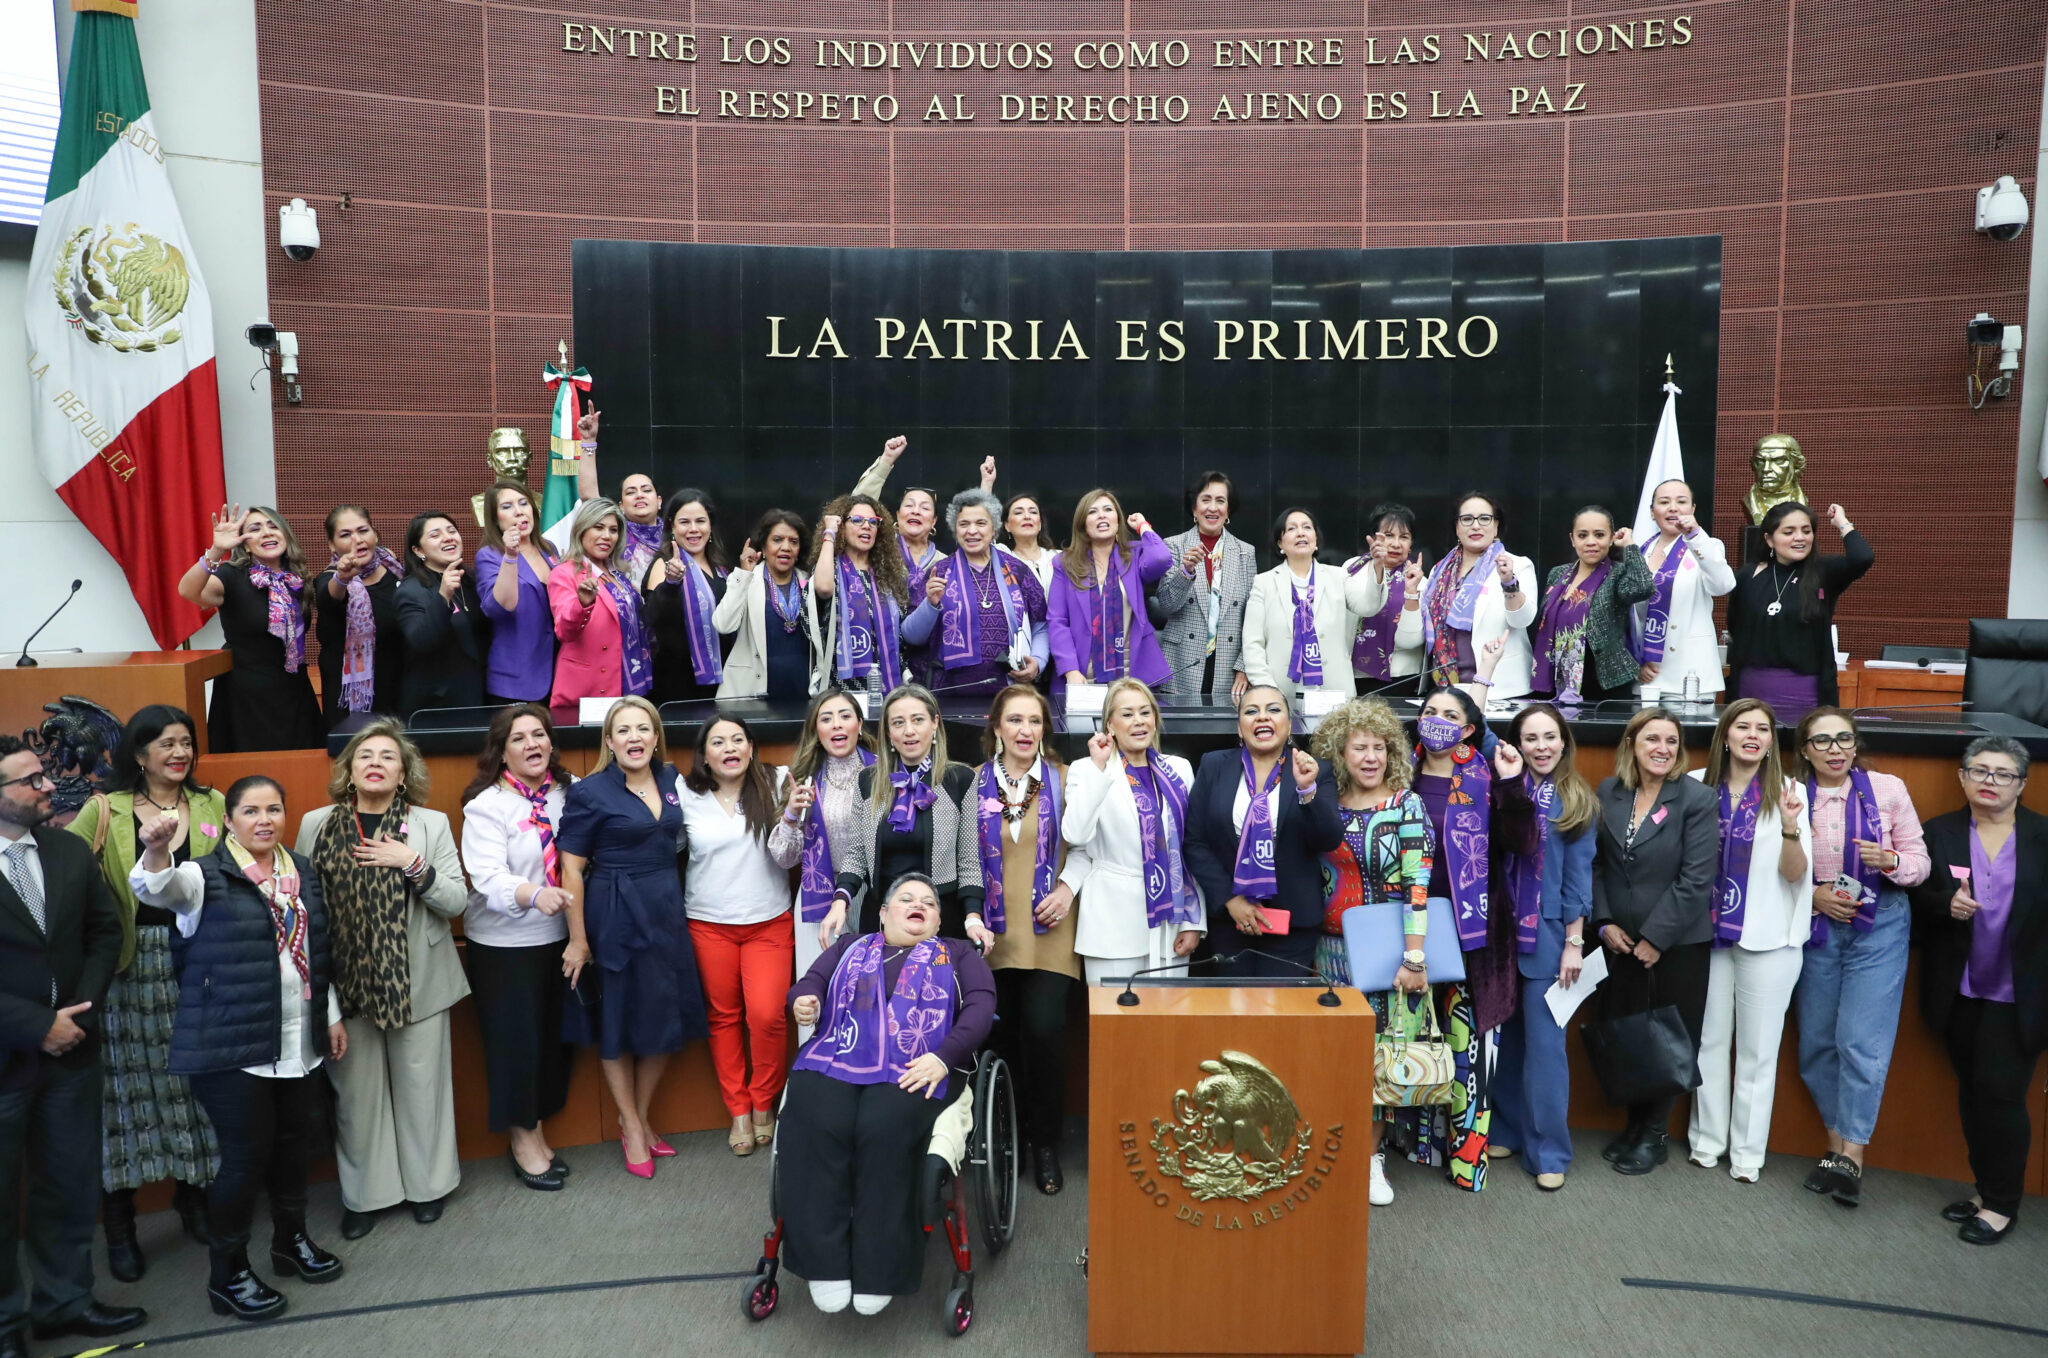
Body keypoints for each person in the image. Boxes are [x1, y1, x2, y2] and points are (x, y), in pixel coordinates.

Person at [130, 774, 343, 1323]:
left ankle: (289, 1244)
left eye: (274, 808)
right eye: (250, 811)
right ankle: (228, 1274)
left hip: (300, 1040)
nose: (264, 820)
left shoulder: (302, 872)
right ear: (229, 820)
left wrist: (332, 1016)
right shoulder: (203, 875)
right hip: (234, 1049)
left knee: (296, 1147)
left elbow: (317, 951)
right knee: (245, 1162)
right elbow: (158, 889)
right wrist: (157, 851)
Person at [782, 873, 996, 1316]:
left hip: (919, 1067)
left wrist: (944, 1056)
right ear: (882, 913)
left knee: (882, 1126)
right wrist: (804, 1001)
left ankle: (880, 1268)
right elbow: (810, 984)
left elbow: (981, 1006)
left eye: (929, 903)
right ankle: (825, 1263)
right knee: (817, 1117)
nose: (918, 905)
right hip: (838, 1059)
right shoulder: (848, 948)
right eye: (905, 898)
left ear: (938, 920)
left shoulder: (958, 954)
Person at [296, 719, 468, 1238]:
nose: (376, 762)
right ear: (348, 770)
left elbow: (456, 902)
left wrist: (411, 863)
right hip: (343, 986)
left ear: (403, 774)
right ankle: (367, 1196)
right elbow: (304, 907)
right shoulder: (315, 823)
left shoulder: (429, 824)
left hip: (417, 981)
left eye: (388, 757)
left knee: (422, 1088)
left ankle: (428, 1188)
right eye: (365, 755)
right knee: (356, 1096)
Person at [67, 706, 221, 1282]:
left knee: (193, 1086)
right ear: (138, 754)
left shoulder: (211, 805)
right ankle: (121, 1224)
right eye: (166, 744)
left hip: (196, 963)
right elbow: (66, 872)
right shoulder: (104, 809)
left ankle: (194, 1198)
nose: (179, 754)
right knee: (125, 1096)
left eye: (186, 743)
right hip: (128, 969)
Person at [0, 736, 143, 1349]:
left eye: (46, 776)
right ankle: (5, 1323)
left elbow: (103, 933)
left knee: (67, 1184)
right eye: (31, 780)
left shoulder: (65, 849)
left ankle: (65, 1302)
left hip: (73, 1051)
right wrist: (38, 1026)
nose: (49, 787)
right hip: (6, 1060)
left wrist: (77, 1015)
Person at [1385, 683, 1535, 1192]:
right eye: (1429, 711)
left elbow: (1523, 843)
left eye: (1450, 714)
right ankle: (1412, 1146)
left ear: (1470, 729)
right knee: (1404, 1041)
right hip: (1404, 934)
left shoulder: (1487, 776)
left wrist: (1514, 785)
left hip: (1471, 937)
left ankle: (1466, 1159)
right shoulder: (1395, 771)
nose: (1437, 720)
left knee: (1464, 1049)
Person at [559, 697, 709, 1178]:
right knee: (618, 1023)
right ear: (609, 741)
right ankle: (629, 1122)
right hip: (614, 912)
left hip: (665, 908)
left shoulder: (672, 781)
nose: (634, 738)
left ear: (656, 736)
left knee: (665, 1018)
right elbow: (571, 869)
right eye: (623, 731)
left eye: (643, 729)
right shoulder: (590, 792)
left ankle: (639, 1120)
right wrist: (578, 939)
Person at [1910, 737, 2047, 1246]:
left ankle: (2003, 1205)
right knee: (1973, 1093)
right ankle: (1987, 1190)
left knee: (2001, 1096)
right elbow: (1916, 900)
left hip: (2021, 995)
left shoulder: (2042, 838)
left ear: (2022, 785)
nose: (1990, 781)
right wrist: (1946, 905)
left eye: (2003, 773)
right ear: (1963, 778)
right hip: (1960, 990)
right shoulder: (1939, 833)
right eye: (1980, 771)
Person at [1791, 707, 1927, 1207]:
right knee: (1818, 1043)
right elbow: (1763, 866)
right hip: (1816, 923)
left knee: (1859, 1041)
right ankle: (1834, 1148)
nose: (1834, 750)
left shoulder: (1888, 789)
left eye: (1843, 739)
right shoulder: (1789, 793)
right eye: (1821, 741)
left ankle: (1851, 1156)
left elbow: (1920, 862)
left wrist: (1890, 860)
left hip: (1880, 922)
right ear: (1804, 750)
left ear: (1855, 743)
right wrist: (1813, 896)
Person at [962, 686, 1090, 1194]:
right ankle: (1006, 1139)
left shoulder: (1064, 779)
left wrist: (1066, 887)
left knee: (1044, 1035)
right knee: (1003, 1037)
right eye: (1014, 720)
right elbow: (961, 854)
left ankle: (1045, 1143)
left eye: (1034, 722)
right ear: (996, 727)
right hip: (992, 935)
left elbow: (1084, 847)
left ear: (1044, 730)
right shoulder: (971, 783)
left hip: (1050, 931)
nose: (1024, 731)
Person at [1305, 697, 1430, 1206]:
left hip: (1386, 954)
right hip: (1325, 951)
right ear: (1340, 751)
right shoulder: (1322, 805)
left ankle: (1371, 1161)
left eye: (1380, 746)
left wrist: (1414, 957)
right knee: (1332, 1054)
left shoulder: (1406, 804)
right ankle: (1329, 1152)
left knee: (1377, 1059)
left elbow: (1418, 885)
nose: (1371, 756)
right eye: (1360, 746)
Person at [1685, 699, 1811, 1183]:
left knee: (1758, 1053)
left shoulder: (1788, 791)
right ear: (1725, 735)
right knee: (1709, 1042)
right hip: (1707, 935)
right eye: (1743, 726)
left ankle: (1747, 1155)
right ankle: (1707, 1141)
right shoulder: (1696, 785)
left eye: (1763, 728)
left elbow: (1796, 875)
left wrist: (1790, 825)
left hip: (1769, 938)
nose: (1753, 735)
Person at [1590, 707, 1718, 1176]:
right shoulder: (1610, 791)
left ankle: (1656, 1133)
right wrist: (1603, 923)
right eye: (1652, 740)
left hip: (1677, 946)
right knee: (1629, 1033)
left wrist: (1655, 938)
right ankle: (1635, 1124)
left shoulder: (1697, 799)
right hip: (1618, 943)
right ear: (1632, 745)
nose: (1662, 749)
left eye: (1671, 741)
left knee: (1669, 1038)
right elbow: (1598, 865)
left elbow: (1696, 879)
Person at [457, 704, 575, 1192]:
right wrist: (533, 894)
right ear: (501, 751)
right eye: (519, 738)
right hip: (504, 946)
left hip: (561, 939)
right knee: (515, 1046)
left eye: (539, 735)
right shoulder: (487, 805)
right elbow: (486, 877)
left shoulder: (570, 794)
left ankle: (539, 1128)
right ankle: (522, 1139)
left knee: (550, 1041)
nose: (532, 744)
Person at [1489, 704, 1597, 1192]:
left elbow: (1578, 880)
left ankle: (1549, 1150)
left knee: (1546, 1049)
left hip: (1550, 938)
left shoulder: (1576, 799)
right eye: (1530, 738)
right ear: (1516, 744)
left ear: (1564, 740)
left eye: (1550, 736)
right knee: (1508, 1041)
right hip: (1499, 932)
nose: (1541, 747)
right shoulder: (1501, 784)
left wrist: (1574, 943)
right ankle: (1508, 1130)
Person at [679, 717, 793, 1157]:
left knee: (767, 1016)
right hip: (708, 924)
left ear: (751, 747)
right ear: (704, 754)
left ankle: (765, 1101)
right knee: (723, 1018)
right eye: (718, 742)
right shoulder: (684, 793)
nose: (729, 748)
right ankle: (739, 1111)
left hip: (768, 922)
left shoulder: (777, 781)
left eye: (737, 740)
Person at [1184, 685, 1343, 978]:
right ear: (1240, 727)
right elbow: (1195, 842)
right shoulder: (1213, 765)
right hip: (1230, 921)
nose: (1262, 717)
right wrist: (1230, 900)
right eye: (1251, 711)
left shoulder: (1315, 770)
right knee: (1233, 1016)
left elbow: (1329, 838)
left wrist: (1308, 790)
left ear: (1289, 722)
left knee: (1279, 1019)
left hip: (1293, 925)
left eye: (1273, 709)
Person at [1061, 678, 1204, 985]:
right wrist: (1099, 769)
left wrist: (1195, 920)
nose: (1138, 721)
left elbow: (1191, 848)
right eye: (1127, 714)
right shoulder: (1087, 769)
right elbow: (1075, 834)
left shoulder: (1179, 769)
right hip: (1111, 921)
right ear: (1109, 724)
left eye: (1145, 712)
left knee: (1167, 1027)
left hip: (1171, 921)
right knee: (1114, 1026)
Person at [822, 685, 981, 941]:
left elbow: (969, 862)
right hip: (881, 915)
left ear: (934, 724)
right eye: (898, 722)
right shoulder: (868, 780)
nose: (909, 731)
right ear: (888, 732)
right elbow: (856, 855)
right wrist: (840, 900)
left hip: (940, 917)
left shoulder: (960, 779)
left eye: (918, 720)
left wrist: (973, 918)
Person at [180, 503, 322, 752]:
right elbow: (188, 591)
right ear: (244, 544)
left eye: (273, 526)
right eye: (255, 529)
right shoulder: (232, 576)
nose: (266, 533)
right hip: (246, 696)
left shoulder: (298, 580)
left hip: (294, 691)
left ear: (285, 534)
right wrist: (215, 551)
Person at [1726, 500, 1873, 719]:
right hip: (1750, 694)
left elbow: (1862, 557)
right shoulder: (1747, 576)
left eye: (1807, 531)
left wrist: (1841, 521)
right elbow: (1734, 624)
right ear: (1769, 539)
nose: (1800, 537)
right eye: (1789, 531)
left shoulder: (1823, 572)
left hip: (1806, 696)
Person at [769, 690, 878, 984]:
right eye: (826, 718)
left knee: (868, 992)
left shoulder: (883, 773)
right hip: (820, 897)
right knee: (818, 992)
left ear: (859, 724)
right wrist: (791, 815)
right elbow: (784, 858)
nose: (837, 725)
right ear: (817, 731)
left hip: (872, 895)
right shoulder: (803, 779)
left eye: (845, 716)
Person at [904, 489, 1049, 699]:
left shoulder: (1018, 571)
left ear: (994, 529)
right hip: (949, 693)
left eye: (981, 523)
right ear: (955, 529)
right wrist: (930, 604)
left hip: (1010, 692)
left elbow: (1041, 625)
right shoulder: (939, 572)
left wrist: (1038, 661)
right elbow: (911, 637)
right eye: (964, 524)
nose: (972, 531)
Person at [1241, 507, 1377, 700]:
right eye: (1291, 529)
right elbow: (1252, 644)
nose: (1301, 533)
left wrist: (1379, 568)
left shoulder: (1339, 576)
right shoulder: (1264, 583)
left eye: (1307, 527)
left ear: (1315, 540)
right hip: (1281, 694)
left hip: (1334, 694)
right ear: (1280, 542)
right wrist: (1268, 690)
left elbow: (1369, 606)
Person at [1049, 489, 1174, 695]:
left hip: (1132, 677)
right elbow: (1057, 621)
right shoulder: (1065, 564)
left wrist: (1143, 526)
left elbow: (1161, 559)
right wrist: (1070, 669)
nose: (1101, 515)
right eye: (1093, 512)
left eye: (1108, 509)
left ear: (1118, 520)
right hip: (1082, 676)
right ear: (1083, 524)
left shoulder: (1135, 555)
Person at [1152, 471, 1258, 703]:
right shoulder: (1174, 546)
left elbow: (1254, 618)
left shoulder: (1245, 553)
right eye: (1205, 499)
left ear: (1228, 510)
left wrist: (1244, 666)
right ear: (1194, 508)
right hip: (1182, 663)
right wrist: (1186, 571)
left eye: (1220, 501)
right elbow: (1167, 605)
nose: (1213, 508)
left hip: (1228, 667)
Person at [1530, 506, 1653, 704]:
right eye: (1582, 535)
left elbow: (1643, 587)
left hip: (1606, 684)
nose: (1591, 542)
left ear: (1611, 538)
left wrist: (1629, 546)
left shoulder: (1617, 573)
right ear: (1572, 539)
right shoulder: (1557, 574)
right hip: (1558, 682)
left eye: (1599, 534)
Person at [1418, 492, 1537, 698]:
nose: (1475, 526)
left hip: (1499, 686)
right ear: (1457, 527)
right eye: (1467, 519)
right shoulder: (1439, 571)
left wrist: (1509, 582)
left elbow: (1522, 620)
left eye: (1484, 518)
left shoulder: (1517, 565)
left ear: (1496, 525)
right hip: (1446, 688)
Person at [548, 498, 653, 727]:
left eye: (613, 530)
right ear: (582, 529)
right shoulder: (564, 573)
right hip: (589, 687)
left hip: (628, 680)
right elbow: (564, 631)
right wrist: (582, 604)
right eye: (598, 527)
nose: (607, 535)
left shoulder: (619, 573)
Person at [1631, 480, 1736, 703]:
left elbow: (1723, 585)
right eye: (1664, 502)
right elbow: (1630, 618)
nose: (1673, 508)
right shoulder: (1638, 552)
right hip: (1646, 676)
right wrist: (1634, 660)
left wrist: (1695, 535)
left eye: (1681, 502)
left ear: (1693, 509)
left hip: (1690, 674)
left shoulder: (1706, 546)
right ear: (1652, 512)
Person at [539, 410, 663, 586]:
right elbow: (589, 496)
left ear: (659, 501)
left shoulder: (674, 536)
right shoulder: (615, 534)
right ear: (620, 506)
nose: (639, 495)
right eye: (630, 492)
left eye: (646, 490)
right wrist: (588, 441)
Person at [310, 505, 405, 727]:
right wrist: (343, 578)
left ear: (375, 534)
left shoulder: (395, 568)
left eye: (363, 531)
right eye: (345, 534)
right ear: (331, 544)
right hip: (353, 704)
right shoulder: (331, 578)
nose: (357, 539)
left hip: (400, 690)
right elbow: (328, 597)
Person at [809, 493, 911, 699]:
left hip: (888, 684)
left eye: (873, 522)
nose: (867, 526)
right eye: (857, 520)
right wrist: (830, 533)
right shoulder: (831, 568)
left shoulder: (887, 574)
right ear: (842, 527)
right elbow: (823, 588)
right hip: (840, 686)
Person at [715, 510, 818, 703]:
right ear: (763, 545)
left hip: (802, 690)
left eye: (793, 542)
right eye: (777, 540)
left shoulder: (811, 582)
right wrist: (744, 575)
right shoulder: (747, 580)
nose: (786, 547)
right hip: (754, 690)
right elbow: (723, 625)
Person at [642, 488, 733, 705]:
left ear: (710, 525)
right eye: (684, 522)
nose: (693, 529)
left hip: (722, 681)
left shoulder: (721, 568)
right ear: (672, 527)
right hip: (677, 682)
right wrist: (671, 582)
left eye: (700, 521)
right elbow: (651, 617)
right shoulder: (664, 564)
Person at [476, 478, 562, 705]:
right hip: (517, 679)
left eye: (523, 503)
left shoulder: (548, 549)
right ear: (495, 519)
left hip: (558, 670)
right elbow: (500, 607)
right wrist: (510, 555)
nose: (518, 512)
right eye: (507, 507)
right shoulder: (490, 555)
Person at [392, 512, 484, 715]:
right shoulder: (410, 590)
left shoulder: (473, 580)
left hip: (479, 698)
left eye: (452, 531)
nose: (448, 537)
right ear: (418, 550)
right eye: (435, 535)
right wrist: (443, 596)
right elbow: (421, 641)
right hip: (437, 706)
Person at [1343, 503, 1426, 695]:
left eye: (1404, 537)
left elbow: (1410, 641)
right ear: (1373, 539)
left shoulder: (1421, 580)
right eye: (1388, 535)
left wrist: (1411, 592)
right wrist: (1378, 568)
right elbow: (1366, 606)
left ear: (1411, 543)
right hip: (1355, 675)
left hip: (1402, 678)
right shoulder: (1352, 569)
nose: (1396, 544)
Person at [998, 484, 1059, 596]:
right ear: (1007, 526)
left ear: (1040, 524)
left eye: (1033, 512)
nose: (1027, 516)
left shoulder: (1060, 558)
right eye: (1018, 512)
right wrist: (987, 483)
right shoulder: (1001, 558)